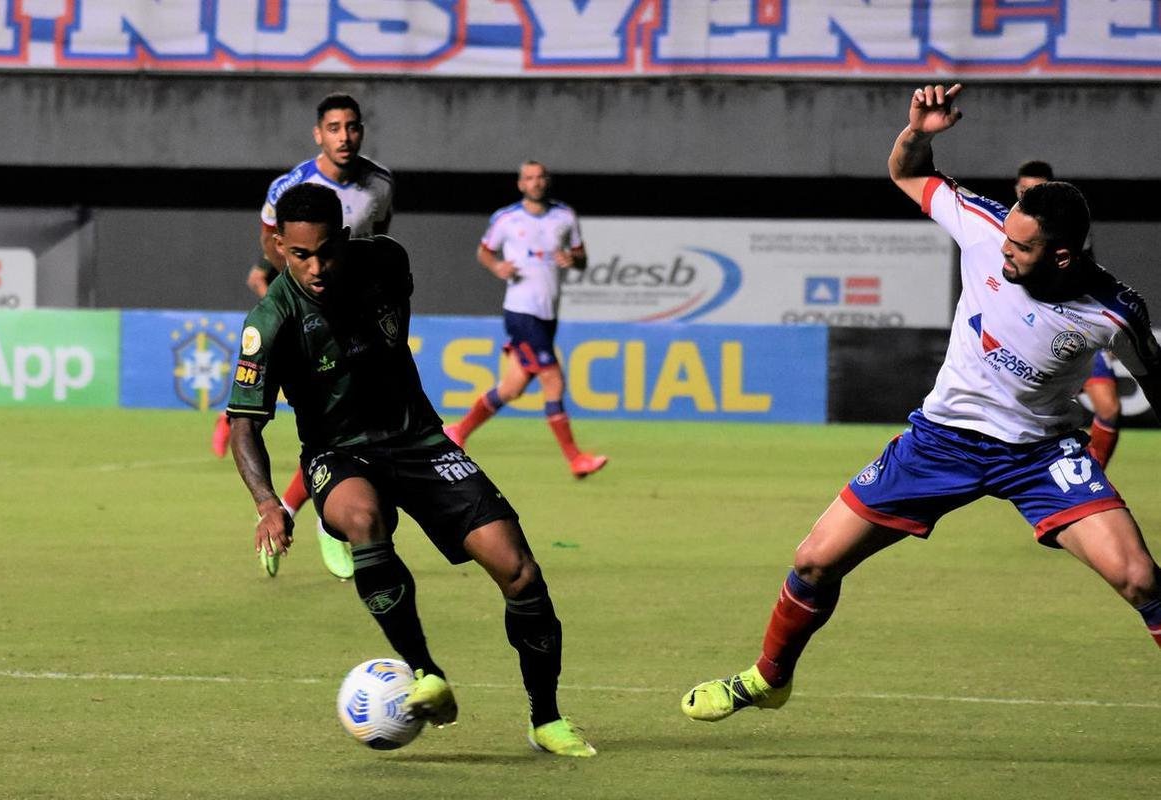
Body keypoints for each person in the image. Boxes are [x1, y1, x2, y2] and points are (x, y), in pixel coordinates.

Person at [681, 83, 1161, 723]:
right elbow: (909, 173)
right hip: (939, 442)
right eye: (1005, 240)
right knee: (814, 562)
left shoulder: (1113, 312)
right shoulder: (988, 227)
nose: (1003, 250)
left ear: (1063, 254)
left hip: (1040, 456)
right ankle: (768, 679)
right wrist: (920, 133)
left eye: (1020, 248)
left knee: (1141, 581)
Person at [225, 182, 596, 757]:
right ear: (277, 246)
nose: (316, 267)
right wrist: (269, 503)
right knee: (364, 517)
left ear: (345, 239)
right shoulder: (270, 321)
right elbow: (245, 424)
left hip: (419, 440)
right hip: (339, 453)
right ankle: (424, 671)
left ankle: (545, 718)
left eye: (326, 251)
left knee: (520, 572)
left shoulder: (387, 261)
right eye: (300, 255)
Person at [213, 92, 394, 581]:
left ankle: (316, 511)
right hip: (303, 316)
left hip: (354, 319)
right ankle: (299, 506)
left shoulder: (380, 183)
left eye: (352, 127)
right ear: (319, 133)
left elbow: (377, 244)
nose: (344, 137)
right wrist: (281, 286)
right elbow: (270, 243)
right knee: (311, 423)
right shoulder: (289, 186)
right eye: (334, 127)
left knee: (343, 427)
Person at [443, 161, 607, 479]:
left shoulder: (564, 216)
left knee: (512, 387)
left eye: (540, 177)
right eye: (529, 178)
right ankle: (575, 458)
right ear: (521, 184)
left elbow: (582, 259)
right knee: (553, 380)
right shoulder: (506, 219)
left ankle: (458, 431)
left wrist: (572, 259)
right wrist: (498, 267)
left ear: (548, 181)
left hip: (547, 315)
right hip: (521, 312)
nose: (535, 182)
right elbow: (485, 252)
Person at [1015, 160, 1121, 467]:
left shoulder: (1071, 229)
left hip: (1074, 330)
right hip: (1026, 333)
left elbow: (1092, 277)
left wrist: (1105, 331)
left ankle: (1089, 477)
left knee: (1109, 408)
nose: (1028, 195)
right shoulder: (1004, 227)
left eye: (1035, 190)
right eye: (1024, 190)